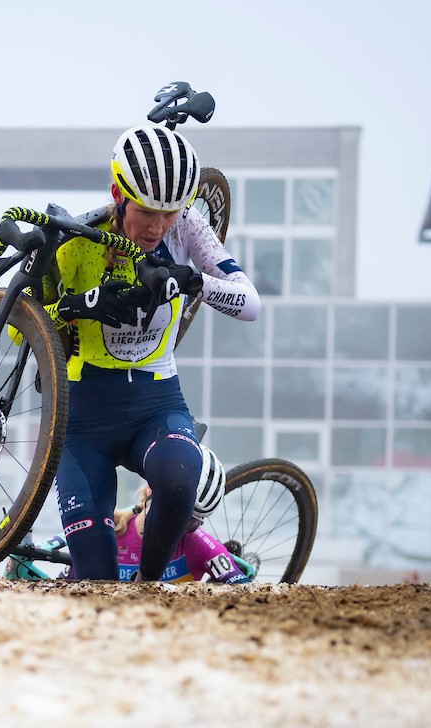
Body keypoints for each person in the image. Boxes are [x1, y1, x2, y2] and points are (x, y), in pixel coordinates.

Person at [42, 125, 260, 581]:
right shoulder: (80, 242)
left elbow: (250, 305)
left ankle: (148, 587)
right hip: (83, 419)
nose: (159, 226)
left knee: (181, 479)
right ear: (117, 194)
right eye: (146, 213)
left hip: (155, 403)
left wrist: (194, 281)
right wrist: (78, 307)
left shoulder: (187, 228)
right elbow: (27, 336)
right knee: (95, 575)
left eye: (169, 213)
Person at [5, 447, 254, 583]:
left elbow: (240, 587)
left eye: (190, 523)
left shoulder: (197, 544)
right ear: (149, 491)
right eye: (173, 511)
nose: (177, 525)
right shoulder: (113, 528)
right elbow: (51, 557)